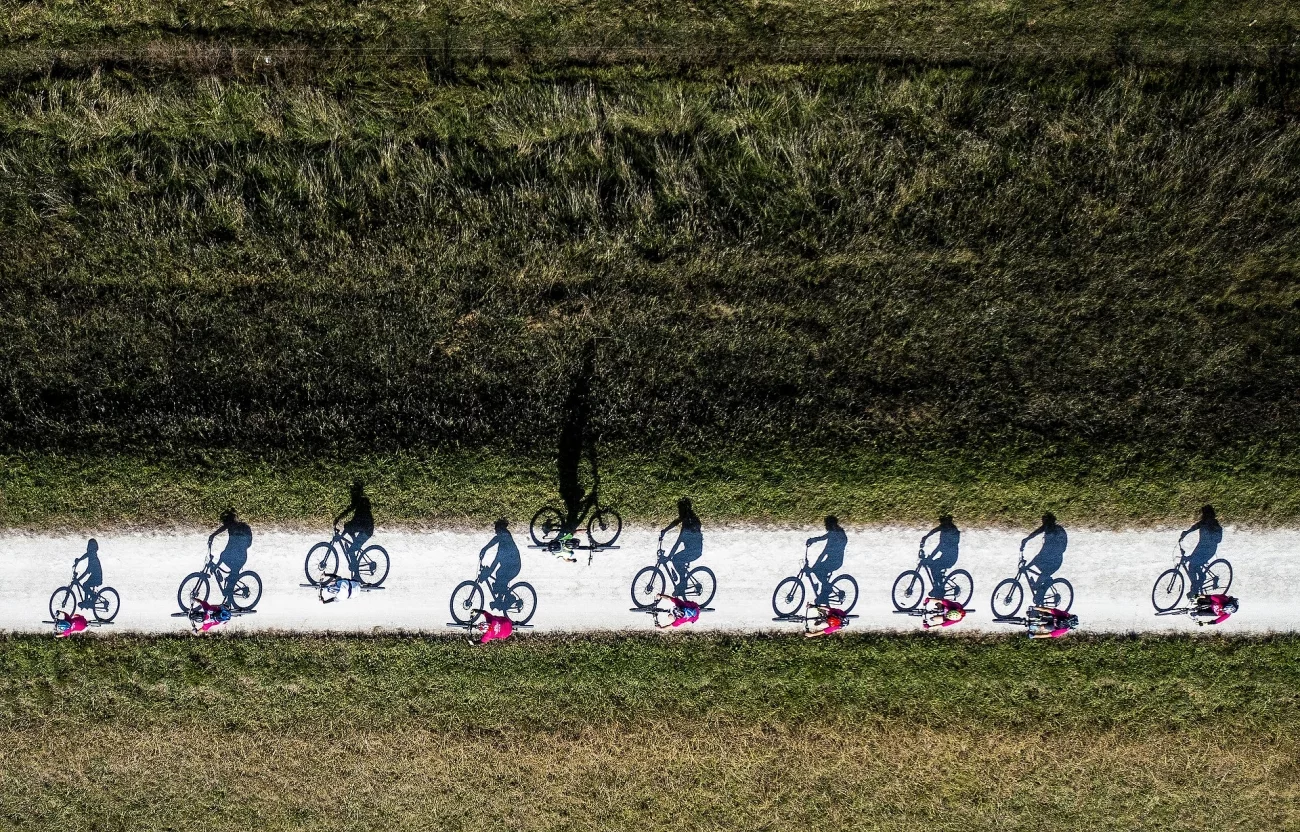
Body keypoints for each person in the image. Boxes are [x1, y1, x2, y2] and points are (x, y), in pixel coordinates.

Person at [1020, 512, 1068, 605]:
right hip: (1048, 557)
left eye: (1045, 522)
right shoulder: (1047, 528)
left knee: (1042, 575)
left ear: (1050, 522)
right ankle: (1040, 589)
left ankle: (1040, 591)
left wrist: (1029, 565)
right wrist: (1026, 540)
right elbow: (1035, 533)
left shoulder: (1058, 531)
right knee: (1036, 565)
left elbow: (1061, 548)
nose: (1044, 525)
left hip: (1055, 560)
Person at [207, 507, 253, 602]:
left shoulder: (238, 529)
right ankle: (227, 588)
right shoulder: (232, 526)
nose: (226, 525)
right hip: (236, 553)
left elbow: (241, 544)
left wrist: (213, 535)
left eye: (226, 523)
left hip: (240, 556)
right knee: (224, 555)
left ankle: (229, 601)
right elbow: (222, 529)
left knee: (232, 576)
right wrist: (213, 535)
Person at [333, 480, 375, 580]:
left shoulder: (361, 504)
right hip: (363, 527)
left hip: (366, 531)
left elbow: (353, 521)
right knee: (349, 527)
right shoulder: (359, 502)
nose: (352, 496)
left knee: (351, 549)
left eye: (353, 494)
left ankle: (357, 575)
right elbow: (349, 511)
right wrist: (338, 518)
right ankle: (354, 546)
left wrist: (341, 535)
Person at [660, 498, 703, 595]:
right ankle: (682, 583)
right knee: (678, 560)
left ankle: (683, 584)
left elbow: (678, 543)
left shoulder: (688, 525)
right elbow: (676, 522)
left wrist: (669, 557)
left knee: (676, 559)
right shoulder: (690, 517)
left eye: (680, 510)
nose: (679, 512)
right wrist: (665, 530)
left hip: (694, 552)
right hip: (693, 549)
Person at [1179, 505, 1224, 597]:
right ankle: (1199, 582)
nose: (1202, 515)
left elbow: (1218, 539)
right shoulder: (1204, 522)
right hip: (1201, 548)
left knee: (1192, 565)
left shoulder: (1214, 525)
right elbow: (1195, 527)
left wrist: (1210, 535)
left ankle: (1195, 589)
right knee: (1193, 564)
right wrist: (1186, 532)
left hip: (1208, 550)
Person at [479, 518, 523, 609]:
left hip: (514, 567)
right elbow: (496, 541)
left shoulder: (506, 537)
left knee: (500, 579)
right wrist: (485, 549)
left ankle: (511, 599)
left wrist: (489, 572)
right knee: (499, 575)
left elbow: (497, 559)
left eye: (496, 530)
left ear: (501, 529)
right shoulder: (503, 540)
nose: (495, 532)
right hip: (508, 566)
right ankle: (499, 601)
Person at [805, 516, 847, 604]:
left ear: (830, 524)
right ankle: (824, 592)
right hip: (833, 560)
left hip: (835, 562)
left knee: (817, 570)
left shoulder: (835, 535)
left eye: (826, 524)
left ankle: (827, 590)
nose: (825, 526)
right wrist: (813, 540)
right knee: (819, 570)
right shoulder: (837, 532)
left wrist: (815, 565)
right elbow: (823, 537)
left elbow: (824, 552)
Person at [918, 515, 960, 595]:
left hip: (951, 558)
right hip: (945, 556)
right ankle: (938, 587)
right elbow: (935, 530)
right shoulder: (946, 528)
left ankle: (938, 588)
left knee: (935, 566)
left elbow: (940, 547)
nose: (941, 525)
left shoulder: (952, 531)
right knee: (933, 566)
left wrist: (930, 557)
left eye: (942, 523)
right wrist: (926, 537)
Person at [73, 538, 104, 609]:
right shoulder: (91, 555)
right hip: (94, 576)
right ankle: (86, 602)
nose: (88, 548)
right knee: (86, 585)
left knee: (85, 585)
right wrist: (79, 560)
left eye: (89, 546)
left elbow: (87, 571)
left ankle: (92, 598)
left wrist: (78, 579)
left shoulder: (94, 559)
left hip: (97, 578)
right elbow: (86, 555)